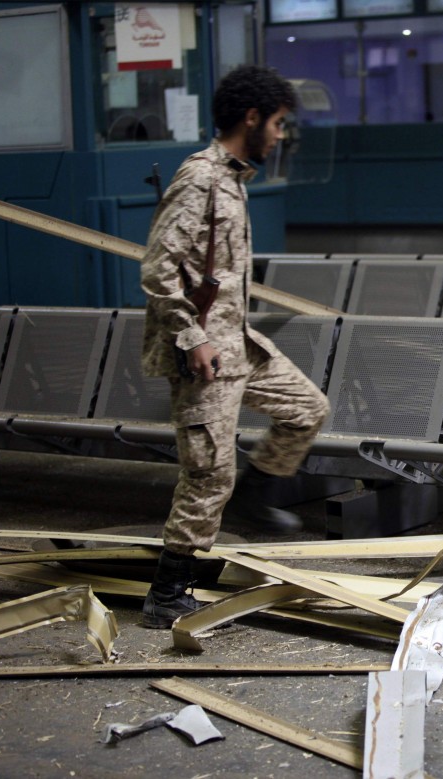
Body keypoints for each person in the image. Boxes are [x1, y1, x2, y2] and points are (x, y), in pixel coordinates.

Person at [140, 65, 329, 629]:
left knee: (306, 409)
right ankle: (168, 590)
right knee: (207, 476)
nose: (279, 135)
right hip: (204, 356)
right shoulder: (200, 179)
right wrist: (191, 337)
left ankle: (255, 495)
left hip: (238, 346)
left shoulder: (233, 178)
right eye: (276, 123)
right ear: (251, 118)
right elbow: (159, 268)